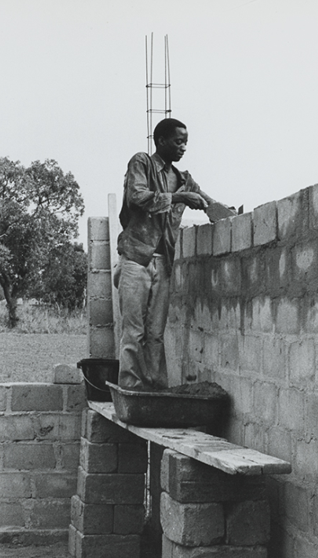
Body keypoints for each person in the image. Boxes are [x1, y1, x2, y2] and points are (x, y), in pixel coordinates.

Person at [115, 118, 215, 390]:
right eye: (178, 142)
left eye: (185, 143)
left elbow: (209, 203)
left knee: (156, 334)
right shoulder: (142, 163)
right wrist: (179, 198)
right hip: (136, 259)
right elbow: (137, 197)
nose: (183, 148)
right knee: (134, 333)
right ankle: (131, 391)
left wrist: (226, 212)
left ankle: (156, 392)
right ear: (161, 141)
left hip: (163, 263)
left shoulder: (183, 179)